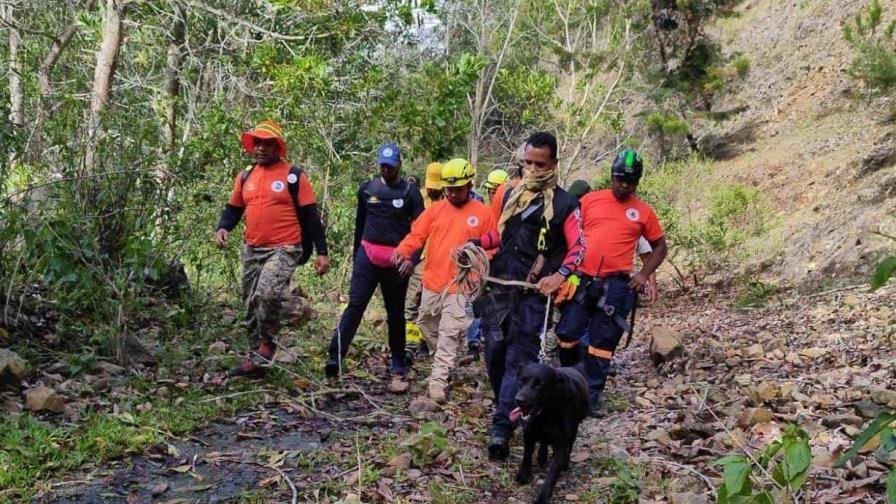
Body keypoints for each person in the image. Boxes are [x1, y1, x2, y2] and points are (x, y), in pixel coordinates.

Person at [475, 132, 585, 461]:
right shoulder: (511, 193)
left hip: (534, 296)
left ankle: (501, 430)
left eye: (541, 164)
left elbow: (579, 249)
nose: (534, 170)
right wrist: (475, 245)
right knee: (493, 354)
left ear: (554, 164)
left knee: (518, 360)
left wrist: (559, 276)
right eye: (528, 163)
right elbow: (501, 232)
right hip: (500, 289)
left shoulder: (566, 204)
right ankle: (514, 405)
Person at [554, 149, 667, 417]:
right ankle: (569, 383)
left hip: (616, 285)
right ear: (612, 176)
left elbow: (660, 247)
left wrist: (643, 274)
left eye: (630, 180)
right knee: (567, 334)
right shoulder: (591, 200)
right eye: (620, 178)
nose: (624, 184)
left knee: (602, 345)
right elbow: (567, 231)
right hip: (581, 278)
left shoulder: (642, 212)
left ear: (637, 181)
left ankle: (589, 398)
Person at [215, 120, 329, 377]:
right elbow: (233, 208)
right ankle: (256, 358)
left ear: (277, 147)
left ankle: (268, 342)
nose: (261, 149)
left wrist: (322, 252)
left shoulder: (293, 176)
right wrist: (223, 228)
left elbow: (311, 217)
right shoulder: (246, 176)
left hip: (285, 247)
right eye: (257, 143)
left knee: (266, 294)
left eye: (267, 144)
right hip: (253, 248)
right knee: (249, 305)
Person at [392, 159, 494, 403]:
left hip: (461, 285)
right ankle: (446, 360)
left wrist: (477, 261)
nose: (452, 193)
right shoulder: (435, 210)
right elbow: (417, 235)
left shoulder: (482, 213)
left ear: (469, 185)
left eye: (458, 189)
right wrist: (404, 250)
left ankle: (438, 380)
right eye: (449, 189)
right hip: (432, 281)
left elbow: (492, 246)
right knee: (426, 323)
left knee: (449, 331)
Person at [324, 144, 424, 387]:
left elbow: (421, 231)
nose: (386, 169)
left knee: (395, 312)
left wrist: (411, 259)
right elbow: (360, 224)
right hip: (368, 255)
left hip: (396, 259)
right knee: (355, 305)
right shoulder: (367, 189)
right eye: (383, 165)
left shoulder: (410, 193)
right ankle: (335, 356)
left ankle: (398, 361)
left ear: (399, 165)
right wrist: (357, 253)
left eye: (390, 165)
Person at [463, 168, 511, 363]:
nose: (493, 194)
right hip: (483, 262)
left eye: (495, 190)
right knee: (475, 302)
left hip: (501, 264)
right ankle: (473, 342)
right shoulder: (483, 209)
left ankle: (490, 338)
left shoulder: (510, 209)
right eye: (491, 190)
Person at [405, 162, 444, 355]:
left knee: (430, 308)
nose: (433, 190)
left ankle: (425, 342)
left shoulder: (449, 203)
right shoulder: (417, 197)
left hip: (438, 261)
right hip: (418, 259)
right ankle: (411, 345)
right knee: (412, 303)